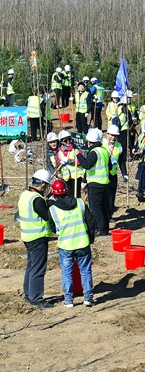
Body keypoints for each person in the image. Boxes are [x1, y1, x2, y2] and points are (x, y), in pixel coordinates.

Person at [49, 178, 94, 308]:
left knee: (67, 273)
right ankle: (88, 298)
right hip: (82, 244)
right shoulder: (80, 203)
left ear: (54, 194)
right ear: (67, 191)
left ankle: (69, 301)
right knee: (85, 271)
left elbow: (52, 228)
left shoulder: (52, 210)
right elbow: (90, 221)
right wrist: (91, 238)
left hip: (65, 246)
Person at [17, 169, 54, 309]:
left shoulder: (25, 195)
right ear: (43, 185)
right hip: (38, 237)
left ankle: (28, 293)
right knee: (38, 268)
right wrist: (50, 204)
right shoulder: (37, 200)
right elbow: (47, 216)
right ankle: (36, 297)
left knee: (31, 266)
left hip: (27, 236)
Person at [77, 128, 111, 236]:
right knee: (103, 207)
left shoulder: (94, 152)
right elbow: (109, 166)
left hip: (96, 184)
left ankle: (101, 229)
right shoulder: (104, 151)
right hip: (105, 183)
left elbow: (87, 165)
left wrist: (78, 155)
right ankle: (105, 228)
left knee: (96, 208)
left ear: (89, 142)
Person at [103, 125, 127, 220]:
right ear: (107, 134)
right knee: (102, 196)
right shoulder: (101, 143)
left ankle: (109, 215)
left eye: (115, 136)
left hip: (112, 175)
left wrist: (125, 174)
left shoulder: (119, 146)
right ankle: (103, 216)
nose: (113, 138)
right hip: (102, 174)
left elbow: (121, 161)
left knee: (111, 196)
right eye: (111, 135)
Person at [57, 130, 82, 196]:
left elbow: (80, 161)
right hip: (66, 177)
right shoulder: (60, 151)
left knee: (77, 195)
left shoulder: (76, 149)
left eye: (69, 139)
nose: (68, 142)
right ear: (61, 141)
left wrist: (70, 161)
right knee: (68, 195)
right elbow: (58, 164)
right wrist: (59, 172)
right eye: (65, 140)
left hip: (76, 177)